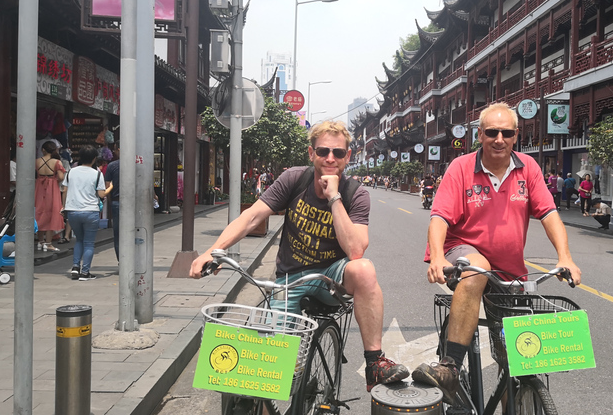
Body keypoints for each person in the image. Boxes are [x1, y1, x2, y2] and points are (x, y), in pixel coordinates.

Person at [189, 121, 409, 392]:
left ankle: (374, 362)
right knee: (267, 373)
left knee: (363, 269)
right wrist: (214, 251)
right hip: (289, 279)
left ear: (348, 156)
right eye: (323, 151)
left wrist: (334, 197)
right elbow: (251, 218)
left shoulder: (356, 194)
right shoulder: (294, 179)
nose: (330, 158)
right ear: (311, 153)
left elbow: (355, 250)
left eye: (338, 153)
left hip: (331, 279)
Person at [411, 102, 582, 404]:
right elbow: (438, 216)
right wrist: (437, 256)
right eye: (492, 132)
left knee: (514, 362)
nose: (499, 139)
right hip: (462, 252)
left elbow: (549, 213)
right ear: (480, 135)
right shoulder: (460, 167)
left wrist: (565, 256)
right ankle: (449, 367)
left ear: (517, 135)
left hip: (509, 272)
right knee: (476, 270)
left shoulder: (528, 168)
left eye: (506, 133)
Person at [62, 145, 106, 280]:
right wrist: (108, 190)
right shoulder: (97, 174)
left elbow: (65, 190)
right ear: (94, 159)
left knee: (79, 240)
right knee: (88, 243)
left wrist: (64, 207)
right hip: (90, 211)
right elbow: (101, 194)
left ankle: (75, 267)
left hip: (73, 211)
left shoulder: (71, 172)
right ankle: (85, 272)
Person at [35, 141, 66, 252]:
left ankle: (40, 241)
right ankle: (48, 243)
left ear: (43, 150)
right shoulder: (57, 162)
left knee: (39, 212)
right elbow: (61, 177)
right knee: (51, 213)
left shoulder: (37, 161)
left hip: (39, 186)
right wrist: (53, 180)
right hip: (52, 188)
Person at [104, 141, 120, 260]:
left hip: (117, 201)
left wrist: (110, 201)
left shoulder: (112, 166)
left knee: (118, 234)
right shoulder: (137, 164)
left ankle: (121, 260)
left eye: (114, 149)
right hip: (135, 203)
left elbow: (107, 186)